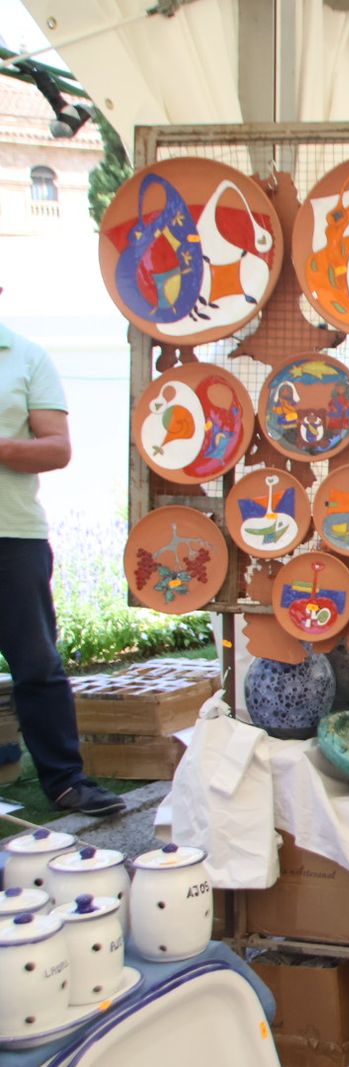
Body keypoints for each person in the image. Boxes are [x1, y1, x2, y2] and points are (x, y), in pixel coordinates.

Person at [0, 321, 125, 816]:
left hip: (14, 536)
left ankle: (65, 782)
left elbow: (58, 448)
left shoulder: (27, 358)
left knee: (37, 666)